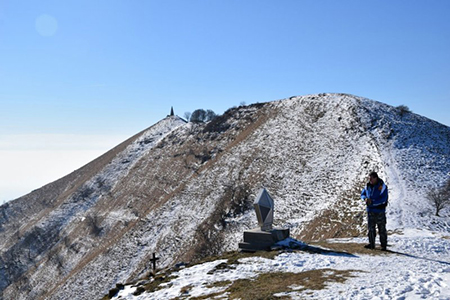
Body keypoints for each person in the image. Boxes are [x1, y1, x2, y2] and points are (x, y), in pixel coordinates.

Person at [360, 171, 388, 250]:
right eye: (369, 178)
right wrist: (365, 198)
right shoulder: (367, 186)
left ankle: (383, 245)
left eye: (371, 178)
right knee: (371, 229)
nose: (370, 180)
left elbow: (384, 199)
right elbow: (362, 194)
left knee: (381, 229)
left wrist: (373, 202)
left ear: (376, 178)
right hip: (370, 211)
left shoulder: (382, 186)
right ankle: (371, 244)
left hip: (380, 211)